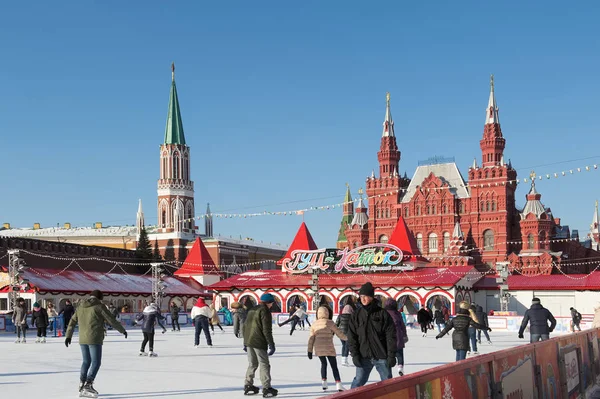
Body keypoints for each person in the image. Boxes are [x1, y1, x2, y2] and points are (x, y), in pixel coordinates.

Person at [65, 289, 127, 398]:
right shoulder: (99, 306)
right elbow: (111, 320)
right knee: (96, 362)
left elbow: (72, 321)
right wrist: (122, 330)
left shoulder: (80, 306)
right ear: (99, 298)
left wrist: (68, 336)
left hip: (82, 338)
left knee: (86, 361)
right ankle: (88, 384)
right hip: (94, 338)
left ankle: (81, 383)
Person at [348, 282, 397, 389]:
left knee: (388, 383)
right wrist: (355, 355)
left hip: (381, 355)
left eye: (365, 296)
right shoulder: (356, 315)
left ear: (371, 297)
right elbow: (352, 337)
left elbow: (391, 336)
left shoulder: (382, 313)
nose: (363, 299)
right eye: (361, 296)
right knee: (358, 381)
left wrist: (391, 355)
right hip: (363, 355)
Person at [243, 293, 278, 398]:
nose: (272, 305)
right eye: (272, 303)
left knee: (252, 364)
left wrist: (245, 342)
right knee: (264, 364)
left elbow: (245, 326)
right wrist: (271, 344)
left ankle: (248, 385)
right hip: (258, 341)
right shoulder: (265, 311)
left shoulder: (252, 309)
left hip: (249, 340)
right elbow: (266, 329)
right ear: (269, 302)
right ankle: (267, 388)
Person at [308, 305, 347, 392]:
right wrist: (347, 338)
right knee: (334, 366)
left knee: (323, 364)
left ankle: (324, 383)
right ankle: (338, 384)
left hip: (318, 348)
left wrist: (309, 351)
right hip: (329, 348)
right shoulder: (330, 322)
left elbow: (311, 338)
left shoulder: (314, 324)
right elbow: (339, 333)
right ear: (327, 313)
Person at [384, 298, 408, 377]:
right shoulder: (397, 314)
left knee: (388, 356)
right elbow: (402, 326)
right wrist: (404, 336)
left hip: (387, 339)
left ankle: (388, 373)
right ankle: (400, 367)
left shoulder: (383, 313)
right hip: (398, 337)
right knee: (399, 354)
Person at [335, 296, 356, 366]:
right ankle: (344, 360)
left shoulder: (340, 316)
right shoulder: (352, 317)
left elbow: (336, 324)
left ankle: (343, 359)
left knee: (344, 346)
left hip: (341, 334)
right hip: (348, 334)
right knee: (347, 346)